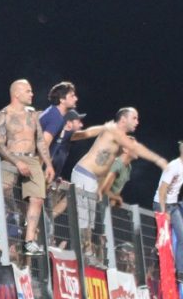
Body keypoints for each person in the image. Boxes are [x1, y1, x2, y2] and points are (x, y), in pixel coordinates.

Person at [70, 107, 167, 264]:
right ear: (123, 119)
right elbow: (135, 148)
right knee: (83, 219)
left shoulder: (119, 137)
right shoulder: (113, 130)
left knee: (89, 221)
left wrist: (101, 188)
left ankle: (86, 253)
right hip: (84, 174)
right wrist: (158, 160)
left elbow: (129, 149)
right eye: (134, 118)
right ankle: (83, 254)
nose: (137, 122)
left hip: (92, 179)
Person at [0, 80, 54, 255]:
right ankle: (16, 213)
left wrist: (48, 164)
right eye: (28, 91)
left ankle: (29, 241)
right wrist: (17, 162)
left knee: (37, 199)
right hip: (11, 157)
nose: (32, 94)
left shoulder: (32, 115)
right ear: (17, 93)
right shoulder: (3, 115)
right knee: (4, 188)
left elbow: (40, 141)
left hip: (32, 159)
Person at [153, 141, 183, 281]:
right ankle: (158, 263)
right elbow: (162, 190)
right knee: (164, 240)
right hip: (162, 204)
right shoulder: (173, 166)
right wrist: (164, 211)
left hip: (174, 205)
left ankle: (180, 271)